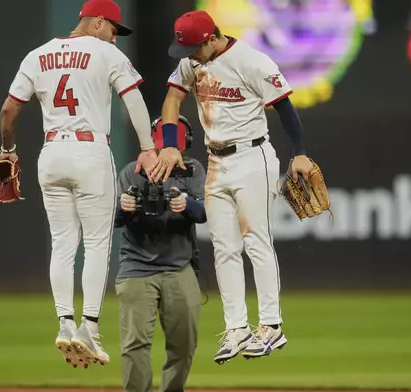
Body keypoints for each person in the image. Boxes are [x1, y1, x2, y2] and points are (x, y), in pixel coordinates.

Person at [0, 0, 180, 369]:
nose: (115, 36)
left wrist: (7, 151)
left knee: (63, 243)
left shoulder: (38, 54)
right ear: (97, 23)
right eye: (113, 29)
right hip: (90, 151)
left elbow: (9, 110)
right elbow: (135, 101)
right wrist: (148, 148)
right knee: (96, 243)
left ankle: (64, 321)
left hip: (51, 153)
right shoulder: (105, 54)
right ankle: (88, 328)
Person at [158, 9, 316, 364]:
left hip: (252, 157)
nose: (190, 56)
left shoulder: (252, 61)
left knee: (256, 240)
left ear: (213, 38)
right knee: (223, 246)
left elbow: (285, 109)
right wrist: (169, 143)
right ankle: (236, 329)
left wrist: (300, 153)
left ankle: (272, 326)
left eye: (195, 48)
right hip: (216, 161)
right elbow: (172, 98)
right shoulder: (191, 62)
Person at [115, 115, 206, 392]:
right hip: (136, 266)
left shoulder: (192, 170)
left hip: (179, 266)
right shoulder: (133, 171)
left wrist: (186, 203)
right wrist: (124, 206)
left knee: (185, 343)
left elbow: (204, 212)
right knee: (135, 345)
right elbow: (112, 220)